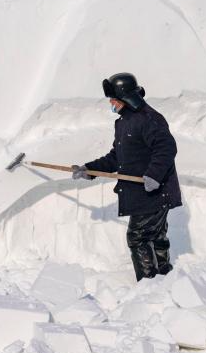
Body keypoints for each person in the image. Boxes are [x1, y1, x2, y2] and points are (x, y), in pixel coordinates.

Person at [73, 73, 183, 281]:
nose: (111, 104)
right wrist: (89, 169)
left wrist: (153, 176)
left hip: (154, 191)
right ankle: (164, 278)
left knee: (138, 237)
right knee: (156, 235)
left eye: (113, 100)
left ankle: (149, 283)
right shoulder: (124, 122)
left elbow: (166, 148)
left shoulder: (149, 119)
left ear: (126, 98)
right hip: (144, 192)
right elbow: (116, 157)